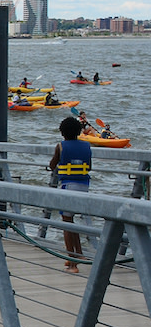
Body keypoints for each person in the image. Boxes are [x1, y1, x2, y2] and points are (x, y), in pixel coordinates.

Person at [48, 116, 92, 273]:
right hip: (84, 186)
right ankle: (78, 254)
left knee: (67, 222)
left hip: (68, 186)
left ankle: (72, 262)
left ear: (62, 132)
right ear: (79, 131)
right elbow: (89, 166)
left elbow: (53, 164)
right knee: (72, 222)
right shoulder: (86, 146)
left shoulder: (60, 146)